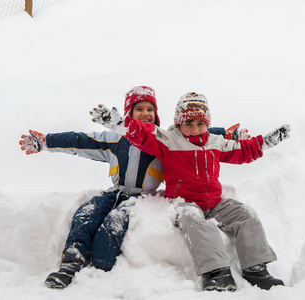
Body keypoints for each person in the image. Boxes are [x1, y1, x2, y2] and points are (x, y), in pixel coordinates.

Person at [19, 86, 250, 289]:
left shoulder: (166, 140)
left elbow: (199, 132)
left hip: (140, 198)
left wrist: (230, 134)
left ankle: (99, 270)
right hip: (115, 192)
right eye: (139, 109)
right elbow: (79, 140)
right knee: (86, 215)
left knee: (112, 226)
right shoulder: (113, 139)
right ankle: (70, 263)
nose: (146, 114)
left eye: (150, 109)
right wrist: (46, 141)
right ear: (128, 113)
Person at [92, 91, 290, 292]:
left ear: (207, 124)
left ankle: (256, 269)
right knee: (196, 220)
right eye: (188, 123)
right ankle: (218, 272)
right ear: (179, 123)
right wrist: (119, 124)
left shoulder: (216, 141)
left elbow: (242, 150)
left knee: (247, 215)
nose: (195, 129)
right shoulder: (168, 139)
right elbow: (143, 134)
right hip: (184, 202)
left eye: (200, 123)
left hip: (214, 202)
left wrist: (265, 142)